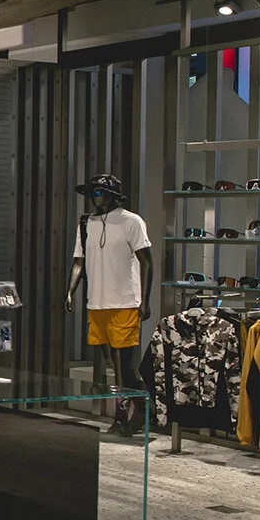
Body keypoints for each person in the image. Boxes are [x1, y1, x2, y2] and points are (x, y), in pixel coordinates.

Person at [68, 173, 153, 435]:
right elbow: (79, 261)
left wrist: (145, 301)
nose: (95, 198)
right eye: (92, 193)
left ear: (111, 194)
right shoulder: (86, 224)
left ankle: (133, 410)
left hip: (125, 301)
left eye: (98, 192)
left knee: (123, 364)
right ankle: (126, 412)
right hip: (98, 302)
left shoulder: (132, 222)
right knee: (110, 362)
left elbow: (146, 261)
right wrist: (70, 291)